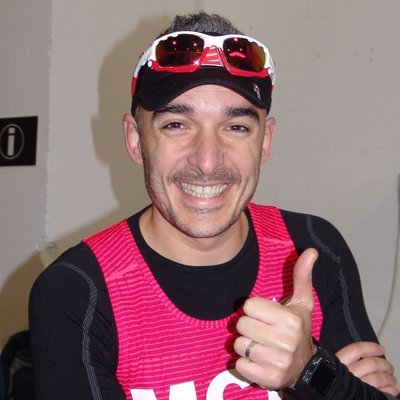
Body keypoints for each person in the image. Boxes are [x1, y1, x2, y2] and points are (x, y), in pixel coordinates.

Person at [29, 11, 400, 400]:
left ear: (265, 142)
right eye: (176, 125)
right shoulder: (77, 291)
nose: (207, 161)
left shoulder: (312, 247)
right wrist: (326, 383)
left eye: (236, 127)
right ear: (136, 140)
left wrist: (308, 368)